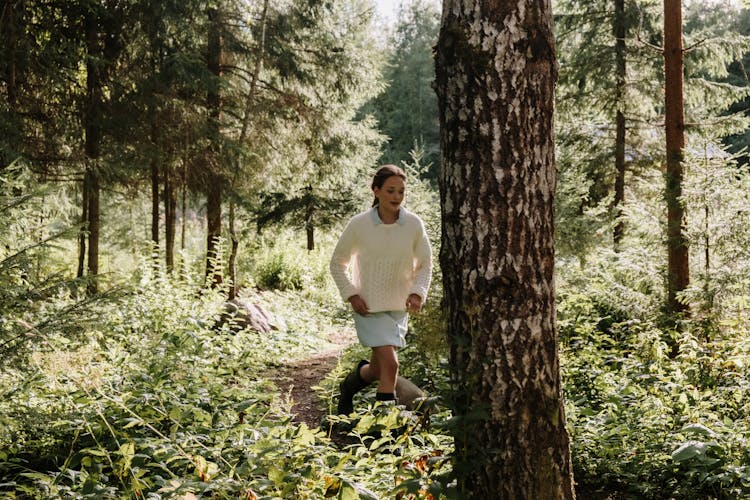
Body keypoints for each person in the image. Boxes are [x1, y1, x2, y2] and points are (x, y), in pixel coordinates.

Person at [329, 164, 432, 414]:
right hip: (368, 307)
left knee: (378, 369)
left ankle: (349, 386)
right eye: (390, 191)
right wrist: (351, 294)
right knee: (391, 364)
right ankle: (384, 429)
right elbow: (337, 263)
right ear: (376, 191)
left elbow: (425, 263)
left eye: (401, 192)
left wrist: (417, 292)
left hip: (398, 308)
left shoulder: (413, 225)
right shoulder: (359, 225)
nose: (396, 197)